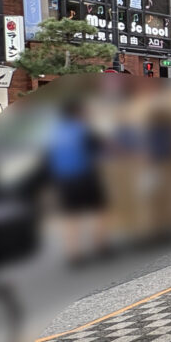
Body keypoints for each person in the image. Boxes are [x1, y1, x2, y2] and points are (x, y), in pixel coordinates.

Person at [47, 98, 107, 262]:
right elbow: (101, 149)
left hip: (64, 180)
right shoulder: (84, 129)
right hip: (85, 176)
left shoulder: (54, 132)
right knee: (98, 210)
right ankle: (100, 245)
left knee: (71, 215)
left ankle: (73, 252)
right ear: (78, 113)